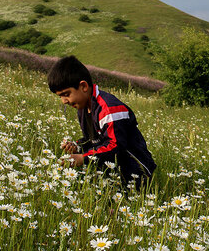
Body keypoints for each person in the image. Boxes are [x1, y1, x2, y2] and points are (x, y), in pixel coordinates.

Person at [48, 55, 156, 191]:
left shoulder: (109, 109)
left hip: (136, 171)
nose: (64, 101)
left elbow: (115, 146)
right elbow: (94, 140)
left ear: (83, 86)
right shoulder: (83, 108)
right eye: (60, 96)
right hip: (113, 169)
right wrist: (77, 146)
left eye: (66, 94)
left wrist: (83, 158)